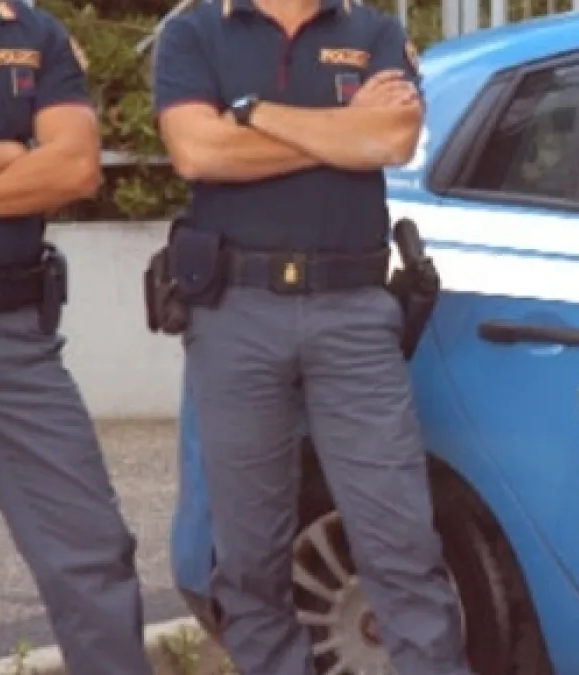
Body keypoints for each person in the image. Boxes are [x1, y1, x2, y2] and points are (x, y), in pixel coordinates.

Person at [153, 0, 471, 674]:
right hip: (235, 314)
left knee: (401, 544)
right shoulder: (194, 31)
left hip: (353, 314)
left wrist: (253, 113)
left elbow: (390, 142)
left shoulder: (373, 30)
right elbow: (198, 151)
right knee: (248, 558)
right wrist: (343, 129)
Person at [0, 0, 152, 673]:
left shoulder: (34, 32)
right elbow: (46, 163)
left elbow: (75, 169)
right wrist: (14, 151)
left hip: (18, 337)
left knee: (91, 551)